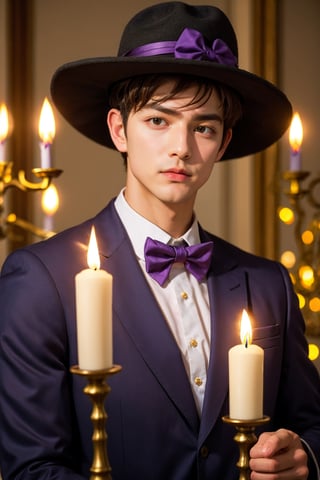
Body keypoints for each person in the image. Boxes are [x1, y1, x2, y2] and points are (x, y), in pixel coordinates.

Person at [0, 2, 319, 479]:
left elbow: (312, 426)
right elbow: (31, 468)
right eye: (158, 121)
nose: (181, 148)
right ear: (118, 129)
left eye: (204, 128)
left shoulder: (268, 282)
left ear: (223, 145)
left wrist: (304, 460)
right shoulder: (38, 279)